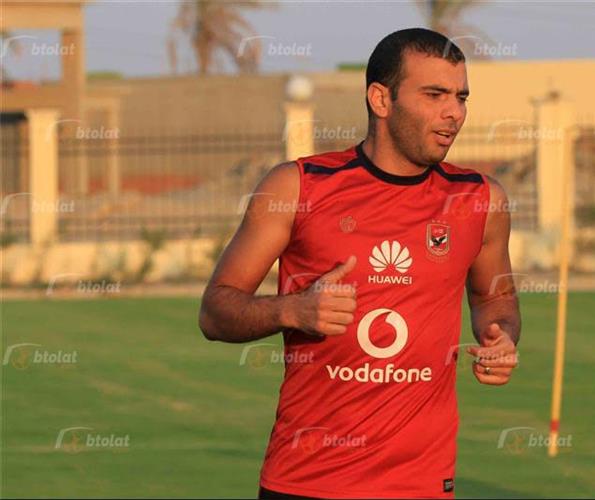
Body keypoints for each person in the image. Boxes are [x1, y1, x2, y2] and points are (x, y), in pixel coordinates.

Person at [199, 27, 521, 500]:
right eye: (434, 95)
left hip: (421, 484)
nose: (454, 112)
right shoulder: (298, 187)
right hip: (308, 482)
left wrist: (502, 336)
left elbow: (495, 298)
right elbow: (215, 312)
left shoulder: (480, 199)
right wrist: (293, 310)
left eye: (461, 97)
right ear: (381, 99)